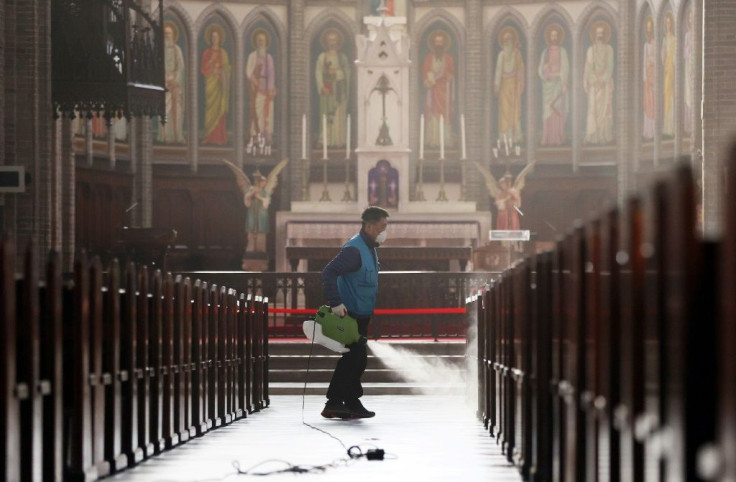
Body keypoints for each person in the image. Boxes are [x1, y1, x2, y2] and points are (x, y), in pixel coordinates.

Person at [320, 206, 389, 419]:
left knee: (356, 359)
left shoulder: (370, 247)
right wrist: (335, 303)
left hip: (361, 313)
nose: (385, 231)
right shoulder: (354, 249)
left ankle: (350, 402)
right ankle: (334, 402)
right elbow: (329, 272)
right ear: (369, 226)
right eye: (382, 226)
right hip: (348, 315)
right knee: (354, 358)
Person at [315, 28, 350, 148]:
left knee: (339, 115)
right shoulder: (322, 57)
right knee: (326, 114)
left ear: (338, 41)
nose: (332, 42)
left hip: (339, 90)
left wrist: (336, 72)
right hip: (328, 89)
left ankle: (339, 140)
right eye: (330, 40)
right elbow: (318, 72)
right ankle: (325, 140)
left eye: (334, 40)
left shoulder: (342, 57)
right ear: (326, 41)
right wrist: (321, 86)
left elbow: (347, 73)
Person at [422, 29, 455, 149]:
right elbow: (425, 72)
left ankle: (445, 140)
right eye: (436, 42)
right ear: (433, 44)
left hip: (444, 90)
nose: (438, 44)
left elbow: (451, 73)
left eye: (441, 42)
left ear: (444, 44)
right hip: (432, 90)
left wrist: (442, 77)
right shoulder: (429, 58)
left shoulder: (449, 58)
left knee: (444, 113)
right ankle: (433, 139)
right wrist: (430, 78)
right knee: (432, 113)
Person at [583, 22, 614, 145]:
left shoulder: (609, 49)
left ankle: (603, 135)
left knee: (604, 110)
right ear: (594, 35)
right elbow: (588, 68)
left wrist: (603, 80)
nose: (600, 36)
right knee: (593, 109)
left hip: (605, 84)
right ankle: (593, 136)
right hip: (594, 85)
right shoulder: (591, 50)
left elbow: (610, 66)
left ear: (605, 35)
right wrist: (594, 81)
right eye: (598, 34)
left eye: (602, 34)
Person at [538, 24, 569, 146]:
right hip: (548, 85)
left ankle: (558, 137)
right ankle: (547, 137)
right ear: (549, 37)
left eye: (556, 35)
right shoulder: (545, 52)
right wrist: (545, 73)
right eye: (552, 35)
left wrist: (564, 82)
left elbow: (565, 68)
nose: (554, 37)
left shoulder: (563, 51)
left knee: (557, 110)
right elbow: (540, 68)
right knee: (547, 110)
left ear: (559, 37)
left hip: (558, 84)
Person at [245, 29, 276, 154]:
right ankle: (256, 137)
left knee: (267, 113)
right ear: (256, 42)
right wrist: (253, 79)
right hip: (256, 88)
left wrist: (270, 89)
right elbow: (248, 70)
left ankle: (266, 136)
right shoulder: (252, 56)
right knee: (257, 113)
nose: (261, 42)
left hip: (267, 89)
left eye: (262, 40)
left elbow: (272, 74)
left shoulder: (269, 57)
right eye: (259, 40)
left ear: (266, 42)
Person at [201, 24, 231, 145]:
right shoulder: (207, 52)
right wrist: (211, 64)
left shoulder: (223, 53)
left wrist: (222, 72)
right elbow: (203, 69)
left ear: (220, 39)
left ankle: (220, 138)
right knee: (210, 109)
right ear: (210, 39)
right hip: (211, 84)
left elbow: (227, 69)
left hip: (220, 84)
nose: (214, 39)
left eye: (216, 37)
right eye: (212, 37)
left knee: (220, 110)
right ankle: (208, 137)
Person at [494, 27, 525, 144]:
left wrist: (521, 82)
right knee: (505, 111)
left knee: (515, 110)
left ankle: (515, 135)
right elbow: (498, 70)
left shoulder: (517, 54)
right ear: (503, 42)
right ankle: (505, 136)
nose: (508, 42)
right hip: (504, 86)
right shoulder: (501, 55)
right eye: (506, 40)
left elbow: (521, 68)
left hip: (514, 86)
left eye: (510, 39)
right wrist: (497, 85)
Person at [159, 21, 186, 144]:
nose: (167, 36)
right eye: (165, 33)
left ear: (173, 35)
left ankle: (177, 136)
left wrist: (175, 80)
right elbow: (157, 67)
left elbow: (181, 68)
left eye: (169, 33)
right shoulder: (159, 50)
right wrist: (165, 79)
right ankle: (165, 137)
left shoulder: (177, 50)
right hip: (164, 86)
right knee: (165, 111)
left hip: (175, 86)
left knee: (177, 112)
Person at [661, 13, 676, 137]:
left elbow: (676, 57)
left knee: (673, 98)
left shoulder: (674, 39)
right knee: (667, 98)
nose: (668, 25)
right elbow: (662, 57)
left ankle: (673, 127)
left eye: (670, 23)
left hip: (673, 72)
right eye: (666, 23)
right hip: (667, 72)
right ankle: (667, 128)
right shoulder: (664, 40)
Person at [643, 17, 655, 140]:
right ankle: (648, 132)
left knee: (654, 103)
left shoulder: (656, 43)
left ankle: (654, 131)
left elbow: (657, 60)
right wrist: (645, 77)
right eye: (647, 29)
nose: (649, 31)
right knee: (648, 104)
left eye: (651, 28)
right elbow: (644, 62)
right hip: (648, 78)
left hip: (655, 77)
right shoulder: (646, 45)